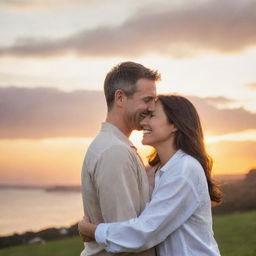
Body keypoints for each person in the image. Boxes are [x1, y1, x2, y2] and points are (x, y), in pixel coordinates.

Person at [78, 95, 223, 256]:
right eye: (145, 116)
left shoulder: (184, 170)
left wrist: (93, 231)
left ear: (175, 124)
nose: (143, 123)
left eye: (152, 116)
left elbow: (146, 232)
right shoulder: (157, 171)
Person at [80, 61, 161, 256]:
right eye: (147, 99)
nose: (152, 108)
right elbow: (126, 244)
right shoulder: (114, 153)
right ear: (120, 98)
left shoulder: (117, 147)